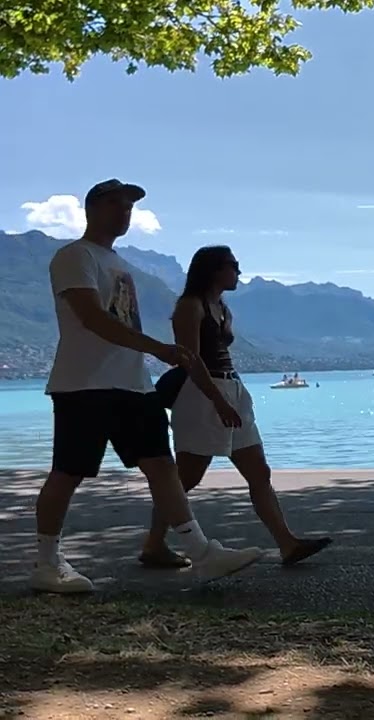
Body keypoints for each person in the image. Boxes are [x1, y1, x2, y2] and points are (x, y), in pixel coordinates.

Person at [32, 179, 263, 593]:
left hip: (134, 384)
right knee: (68, 473)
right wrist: (157, 348)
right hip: (84, 384)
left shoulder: (118, 262)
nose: (125, 211)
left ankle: (201, 554)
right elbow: (93, 319)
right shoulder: (75, 256)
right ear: (92, 208)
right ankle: (47, 563)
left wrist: (148, 358)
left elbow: (119, 321)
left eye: (129, 206)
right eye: (116, 204)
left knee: (161, 465)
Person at [140, 245, 333, 568]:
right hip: (201, 395)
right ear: (213, 270)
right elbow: (190, 359)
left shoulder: (222, 308)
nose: (239, 272)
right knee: (186, 477)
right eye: (233, 265)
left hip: (232, 389)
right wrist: (218, 401)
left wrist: (232, 397)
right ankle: (154, 543)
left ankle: (287, 544)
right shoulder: (191, 306)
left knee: (259, 471)